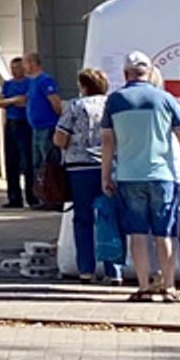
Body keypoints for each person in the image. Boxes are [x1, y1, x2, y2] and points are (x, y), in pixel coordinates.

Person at [100, 50, 180, 304]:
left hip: (129, 175)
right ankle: (168, 286)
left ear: (125, 74)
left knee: (137, 234)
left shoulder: (114, 101)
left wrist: (106, 176)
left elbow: (107, 141)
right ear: (149, 72)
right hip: (163, 177)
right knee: (164, 234)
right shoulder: (166, 99)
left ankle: (144, 286)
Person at [54, 66, 112, 280]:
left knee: (83, 220)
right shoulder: (112, 105)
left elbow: (60, 138)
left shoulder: (75, 106)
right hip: (108, 166)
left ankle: (86, 270)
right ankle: (113, 270)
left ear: (84, 86)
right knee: (109, 217)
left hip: (80, 169)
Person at [0, 57, 37, 209]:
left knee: (28, 162)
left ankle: (32, 196)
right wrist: (14, 100)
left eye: (18, 67)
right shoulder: (8, 84)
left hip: (25, 123)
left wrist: (12, 101)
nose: (15, 71)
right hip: (11, 123)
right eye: (12, 68)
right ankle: (14, 197)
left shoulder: (30, 83)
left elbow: (27, 100)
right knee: (11, 161)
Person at [23, 56, 64, 205]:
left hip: (47, 127)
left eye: (25, 63)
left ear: (33, 63)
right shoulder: (31, 82)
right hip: (36, 128)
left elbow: (55, 102)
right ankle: (42, 196)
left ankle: (52, 195)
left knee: (48, 163)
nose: (23, 67)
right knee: (38, 163)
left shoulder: (45, 81)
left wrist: (60, 120)